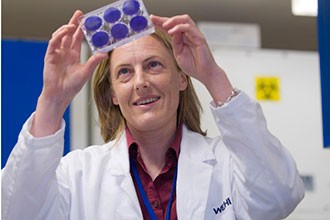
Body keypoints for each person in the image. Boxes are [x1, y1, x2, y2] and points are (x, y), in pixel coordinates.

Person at [1, 10, 304, 220]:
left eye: (154, 65)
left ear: (182, 78)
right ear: (113, 96)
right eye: (124, 73)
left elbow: (278, 197)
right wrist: (52, 101)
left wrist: (213, 76)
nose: (140, 81)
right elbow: (16, 213)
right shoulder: (78, 174)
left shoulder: (226, 164)